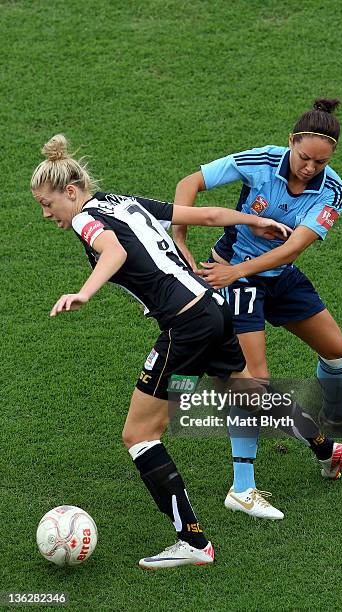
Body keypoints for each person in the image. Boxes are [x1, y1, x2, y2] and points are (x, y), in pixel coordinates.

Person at [30, 134, 297, 569]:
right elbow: (207, 213)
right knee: (241, 389)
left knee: (139, 434)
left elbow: (112, 251)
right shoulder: (122, 202)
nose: (46, 213)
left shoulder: (85, 219)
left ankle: (193, 542)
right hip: (213, 312)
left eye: (47, 203)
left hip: (185, 329)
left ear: (71, 193)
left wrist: (84, 292)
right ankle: (325, 445)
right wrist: (250, 219)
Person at [173, 98, 342, 519]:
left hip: (276, 275)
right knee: (252, 380)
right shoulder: (261, 161)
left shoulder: (334, 190)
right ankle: (243, 487)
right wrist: (181, 240)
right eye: (304, 157)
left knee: (338, 353)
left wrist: (240, 270)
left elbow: (293, 247)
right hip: (238, 278)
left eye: (319, 163)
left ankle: (334, 415)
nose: (309, 168)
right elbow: (189, 183)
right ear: (291, 142)